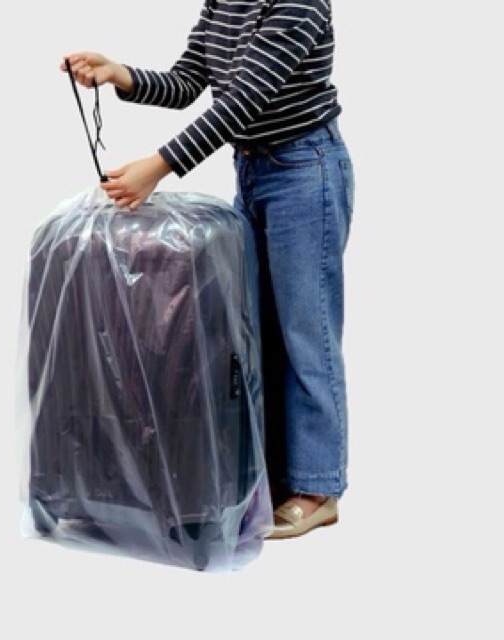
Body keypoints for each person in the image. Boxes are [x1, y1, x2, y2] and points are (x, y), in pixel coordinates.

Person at [61, 0, 354, 539]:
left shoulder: (301, 3)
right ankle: (273, 476)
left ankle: (317, 488)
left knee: (304, 332)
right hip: (255, 169)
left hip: (304, 169)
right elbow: (188, 82)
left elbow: (243, 101)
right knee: (256, 331)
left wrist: (158, 167)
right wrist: (119, 73)